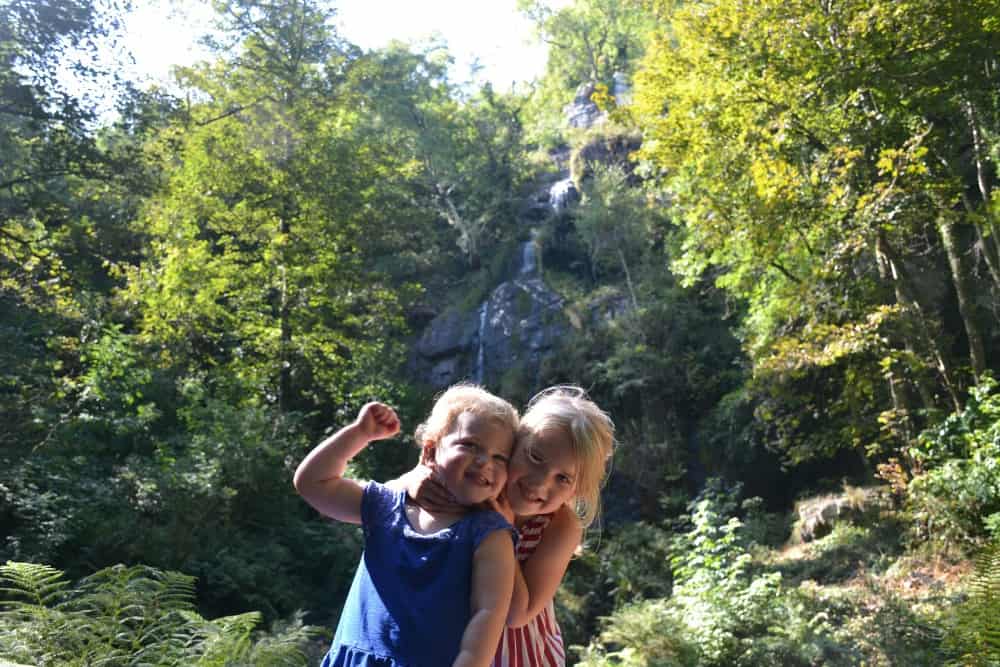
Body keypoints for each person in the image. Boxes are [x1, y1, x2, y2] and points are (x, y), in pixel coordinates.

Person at [294, 384, 520, 667]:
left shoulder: (489, 534)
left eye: (500, 457)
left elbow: (488, 613)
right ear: (430, 452)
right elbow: (312, 483)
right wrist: (360, 433)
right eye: (470, 445)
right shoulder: (386, 505)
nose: (485, 461)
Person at [401, 385, 615, 667]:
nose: (540, 482)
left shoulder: (561, 526)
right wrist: (413, 481)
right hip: (449, 642)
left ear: (576, 491)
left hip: (518, 656)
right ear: (513, 445)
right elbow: (390, 495)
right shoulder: (477, 485)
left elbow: (518, 614)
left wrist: (502, 531)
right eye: (535, 457)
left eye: (562, 478)